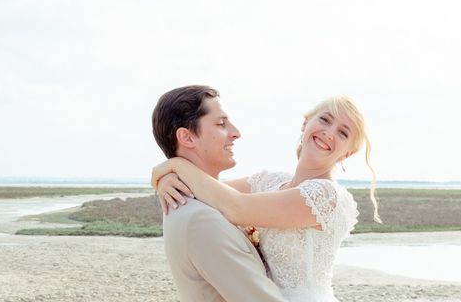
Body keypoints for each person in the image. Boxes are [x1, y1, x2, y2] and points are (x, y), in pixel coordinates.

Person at [152, 91, 381, 302]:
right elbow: (208, 191)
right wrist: (164, 179)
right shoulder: (270, 182)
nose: (329, 133)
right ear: (305, 123)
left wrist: (175, 165)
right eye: (325, 120)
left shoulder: (326, 195)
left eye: (343, 133)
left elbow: (235, 207)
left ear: (348, 153)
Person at [151, 85, 286, 302]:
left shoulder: (201, 202)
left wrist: (168, 171)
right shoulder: (200, 219)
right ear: (186, 137)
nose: (236, 133)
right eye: (221, 124)